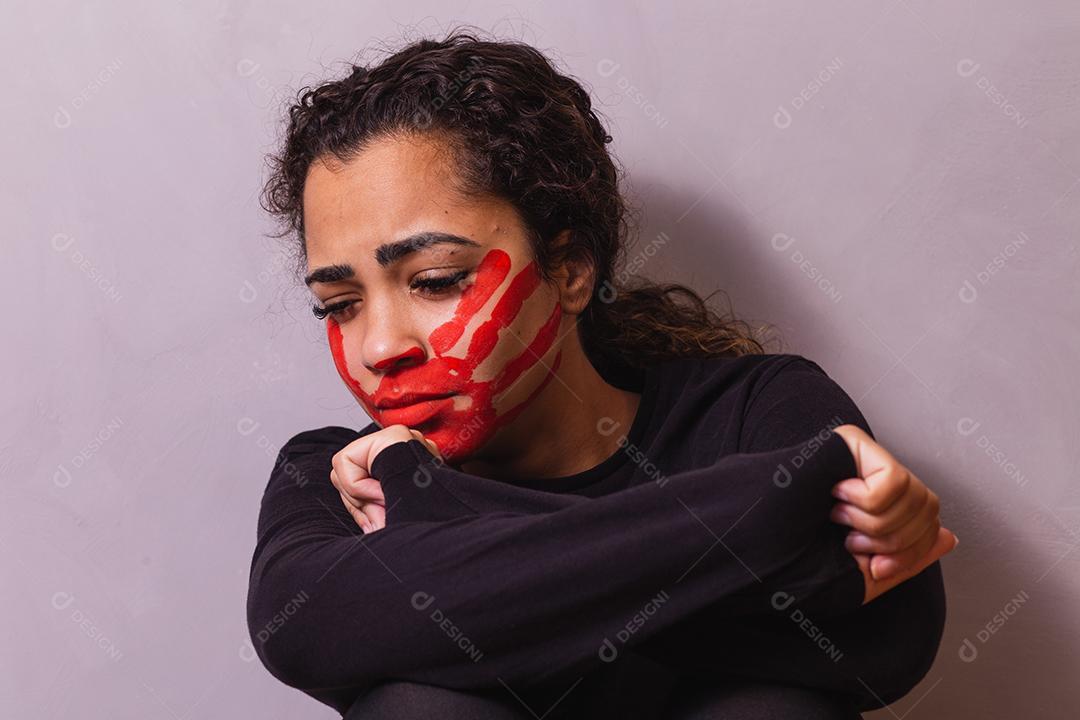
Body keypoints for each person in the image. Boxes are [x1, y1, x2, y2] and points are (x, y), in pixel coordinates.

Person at [246, 29, 957, 719]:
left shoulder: (753, 409)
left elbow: (888, 639)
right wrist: (770, 516)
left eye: (434, 280)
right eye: (338, 305)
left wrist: (428, 509)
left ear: (570, 270)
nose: (379, 347)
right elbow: (303, 627)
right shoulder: (329, 474)